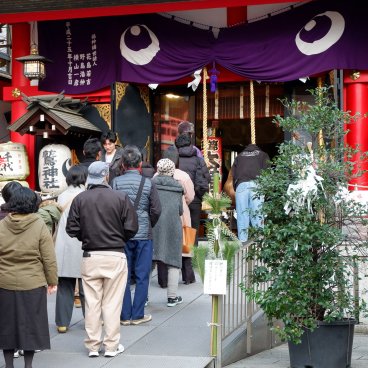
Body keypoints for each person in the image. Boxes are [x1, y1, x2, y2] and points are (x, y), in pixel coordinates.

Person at [66, 161, 138, 358]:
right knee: (112, 303)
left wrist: (86, 236)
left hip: (91, 255)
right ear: (106, 176)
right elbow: (132, 227)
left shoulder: (80, 199)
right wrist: (119, 237)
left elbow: (71, 228)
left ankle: (92, 346)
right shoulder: (120, 197)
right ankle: (111, 346)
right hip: (115, 254)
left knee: (92, 302)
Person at [0, 187, 58, 368]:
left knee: (6, 324)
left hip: (5, 281)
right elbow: (48, 256)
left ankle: (8, 364)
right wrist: (52, 281)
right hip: (33, 282)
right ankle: (28, 365)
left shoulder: (2, 225)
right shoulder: (39, 224)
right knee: (31, 324)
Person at [112, 145, 161, 326]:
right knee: (142, 275)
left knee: (123, 275)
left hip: (123, 234)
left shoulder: (116, 183)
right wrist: (149, 223)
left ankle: (124, 315)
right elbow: (156, 209)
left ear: (123, 164)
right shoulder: (148, 183)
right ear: (140, 163)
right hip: (143, 234)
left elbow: (113, 209)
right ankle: (138, 314)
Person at [54, 165, 87, 333]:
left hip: (64, 245)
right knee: (86, 286)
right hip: (82, 243)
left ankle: (62, 323)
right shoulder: (86, 196)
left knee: (64, 286)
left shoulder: (61, 197)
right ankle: (90, 319)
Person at [160, 147, 195, 286]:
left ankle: (163, 280)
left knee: (163, 244)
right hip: (181, 212)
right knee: (185, 242)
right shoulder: (183, 176)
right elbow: (190, 196)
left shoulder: (156, 176)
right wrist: (183, 203)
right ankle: (188, 276)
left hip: (162, 213)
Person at [152, 158, 184, 306]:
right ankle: (172, 297)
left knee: (148, 262)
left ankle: (144, 298)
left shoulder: (151, 184)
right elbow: (180, 210)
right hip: (172, 226)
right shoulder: (178, 187)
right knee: (173, 262)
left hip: (153, 226)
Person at [175, 133, 211, 248]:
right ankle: (192, 259)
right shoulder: (198, 160)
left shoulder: (173, 160)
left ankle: (179, 258)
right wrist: (200, 196)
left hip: (176, 199)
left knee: (177, 228)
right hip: (194, 199)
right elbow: (206, 179)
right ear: (191, 144)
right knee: (193, 229)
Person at [232, 143, 270, 244]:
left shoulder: (239, 156)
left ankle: (243, 242)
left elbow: (234, 174)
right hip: (257, 185)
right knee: (257, 213)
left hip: (241, 185)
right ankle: (259, 242)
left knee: (242, 214)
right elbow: (267, 172)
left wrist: (236, 186)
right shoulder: (263, 155)